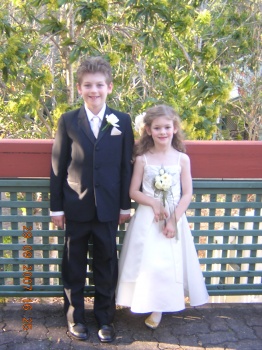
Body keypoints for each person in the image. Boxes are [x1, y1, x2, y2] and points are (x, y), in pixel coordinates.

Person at [50, 56, 134, 343]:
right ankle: (75, 318)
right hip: (75, 207)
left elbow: (126, 167)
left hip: (109, 208)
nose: (93, 90)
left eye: (99, 85)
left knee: (106, 264)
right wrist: (56, 208)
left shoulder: (121, 121)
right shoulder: (68, 120)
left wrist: (125, 205)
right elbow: (58, 167)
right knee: (73, 265)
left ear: (109, 87)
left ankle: (105, 319)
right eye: (88, 85)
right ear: (79, 87)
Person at [116, 104, 208, 329]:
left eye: (167, 127)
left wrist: (174, 220)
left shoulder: (182, 159)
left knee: (167, 264)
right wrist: (153, 202)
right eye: (157, 128)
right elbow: (133, 191)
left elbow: (187, 193)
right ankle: (142, 300)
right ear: (148, 130)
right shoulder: (143, 159)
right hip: (148, 219)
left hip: (173, 220)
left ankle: (159, 308)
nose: (162, 132)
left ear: (175, 128)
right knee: (147, 263)